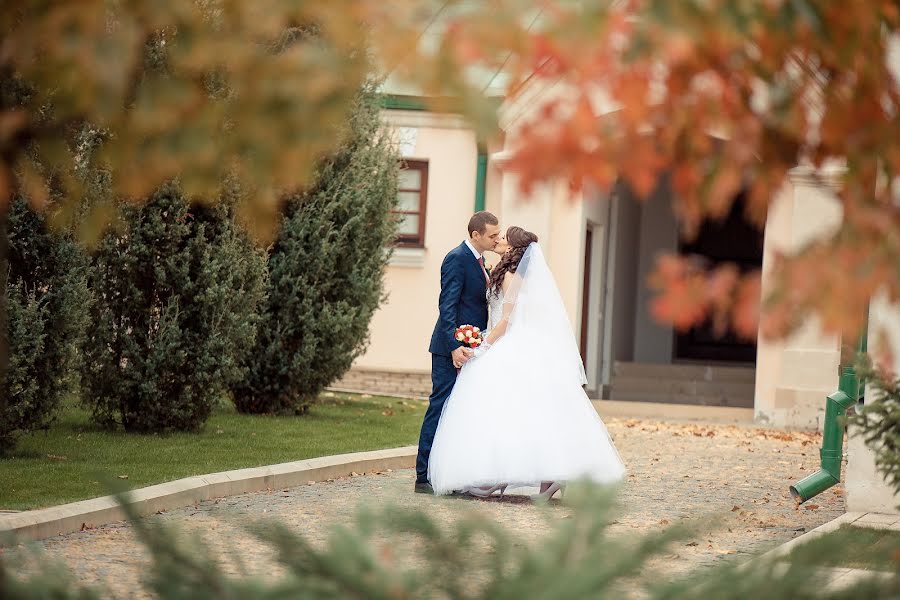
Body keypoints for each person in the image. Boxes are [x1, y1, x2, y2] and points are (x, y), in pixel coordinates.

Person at [427, 226, 626, 500]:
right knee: (518, 411)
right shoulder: (508, 272)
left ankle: (501, 476)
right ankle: (542, 478)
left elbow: (506, 321)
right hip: (508, 341)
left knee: (503, 409)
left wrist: (481, 347)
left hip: (505, 343)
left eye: (503, 238)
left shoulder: (510, 276)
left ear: (513, 247)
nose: (498, 240)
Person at [414, 211, 501, 494]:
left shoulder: (480, 261)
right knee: (440, 408)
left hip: (471, 348)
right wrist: (453, 345)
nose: (496, 239)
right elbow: (447, 306)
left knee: (460, 412)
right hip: (449, 349)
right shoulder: (457, 258)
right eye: (492, 235)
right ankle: (423, 476)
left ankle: (452, 473)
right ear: (476, 234)